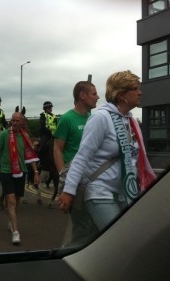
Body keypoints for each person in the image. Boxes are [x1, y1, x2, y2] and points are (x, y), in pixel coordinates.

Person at [59, 70, 156, 233]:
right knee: (119, 237)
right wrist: (68, 191)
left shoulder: (131, 120)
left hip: (125, 192)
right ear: (121, 94)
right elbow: (82, 157)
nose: (140, 92)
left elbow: (134, 158)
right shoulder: (101, 118)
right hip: (100, 191)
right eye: (135, 88)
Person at [53, 80, 100, 247]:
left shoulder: (94, 118)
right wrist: (63, 178)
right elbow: (57, 149)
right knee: (81, 228)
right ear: (82, 95)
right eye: (94, 94)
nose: (98, 97)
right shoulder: (67, 119)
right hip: (75, 181)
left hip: (93, 179)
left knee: (95, 226)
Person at [0, 112, 40, 245]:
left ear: (22, 122)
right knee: (11, 201)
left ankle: (11, 222)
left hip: (21, 171)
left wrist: (36, 172)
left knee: (17, 200)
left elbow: (30, 156)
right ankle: (15, 232)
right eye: (12, 120)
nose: (14, 123)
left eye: (17, 121)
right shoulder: (4, 134)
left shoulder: (25, 137)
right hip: (6, 171)